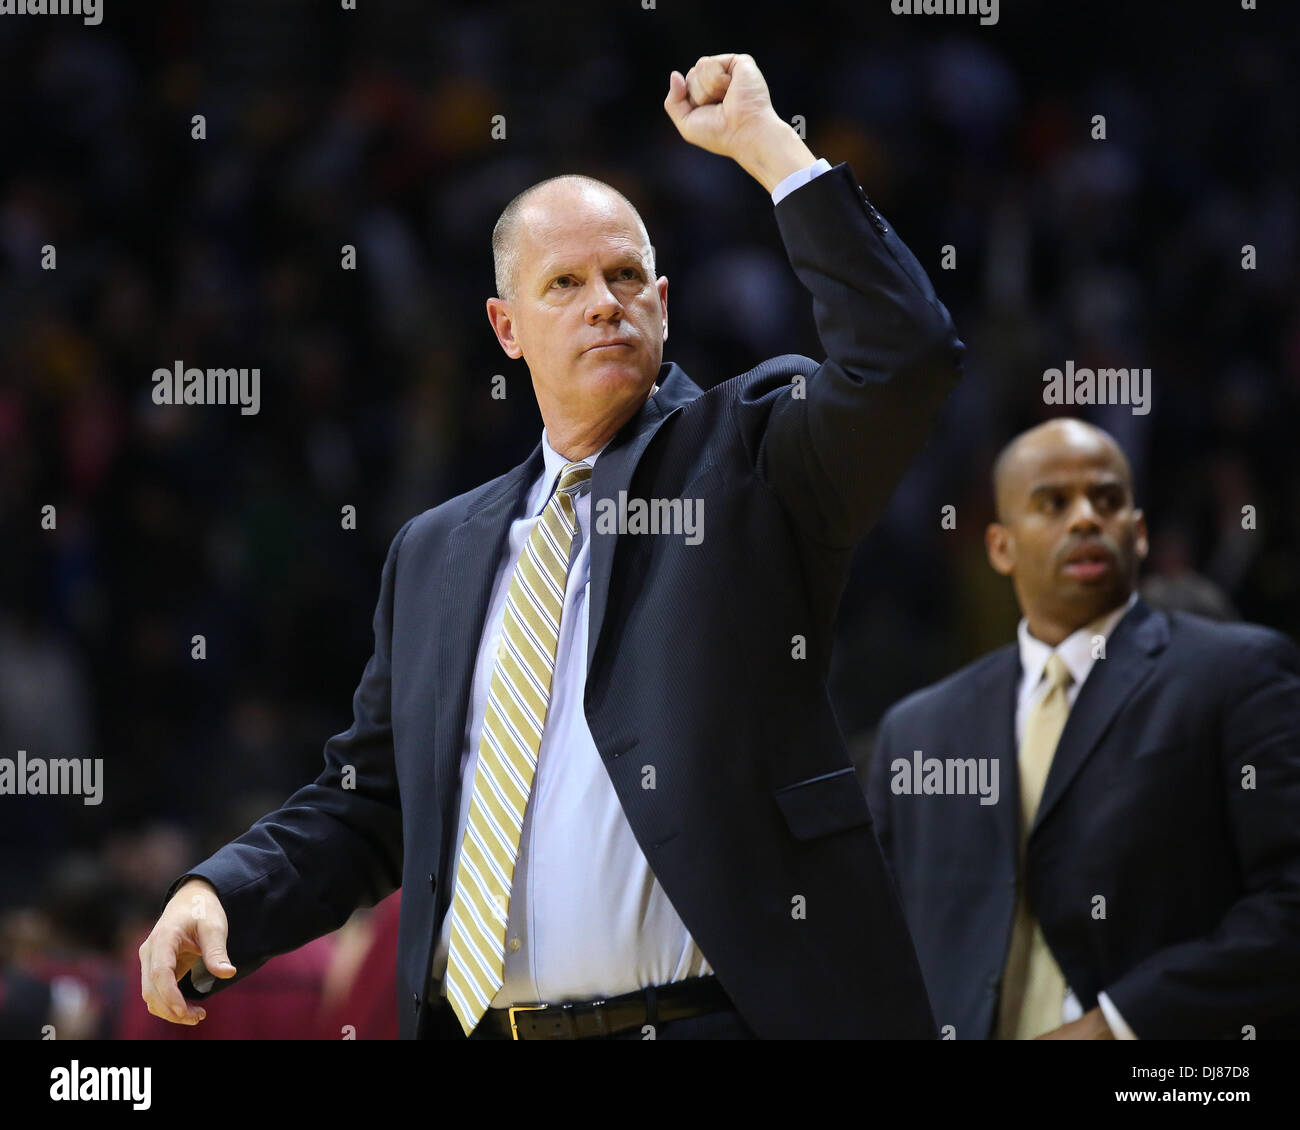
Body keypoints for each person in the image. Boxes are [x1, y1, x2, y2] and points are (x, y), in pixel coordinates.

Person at [139, 53, 964, 1040]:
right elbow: (370, 804)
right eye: (564, 283)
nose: (603, 302)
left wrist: (767, 145)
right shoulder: (433, 553)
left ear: (662, 300)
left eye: (624, 277)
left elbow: (905, 355)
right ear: (506, 327)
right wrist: (221, 891)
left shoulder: (750, 453)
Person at [867, 418, 1300, 1039]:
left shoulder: (1237, 674)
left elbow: (1289, 901)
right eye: (1052, 502)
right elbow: (880, 950)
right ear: (999, 546)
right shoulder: (917, 732)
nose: (1085, 519)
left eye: (1108, 499)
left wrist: (1118, 1024)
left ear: (1141, 533)